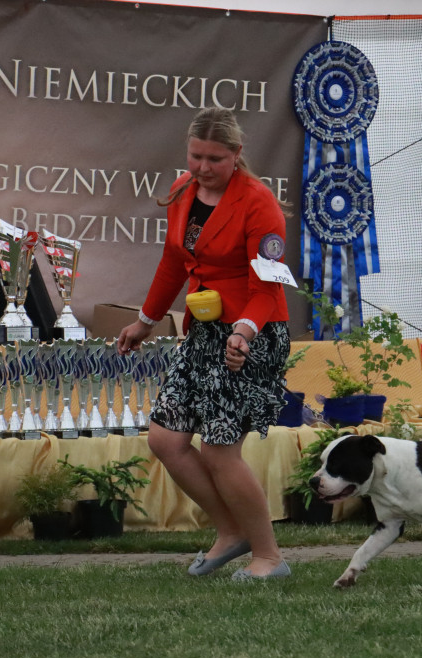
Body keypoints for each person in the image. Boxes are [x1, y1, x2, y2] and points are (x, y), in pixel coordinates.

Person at [117, 107, 292, 580]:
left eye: (215, 158)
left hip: (253, 333)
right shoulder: (181, 190)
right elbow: (174, 263)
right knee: (165, 438)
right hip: (204, 330)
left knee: (218, 450)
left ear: (237, 155)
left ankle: (269, 557)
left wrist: (243, 332)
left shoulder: (260, 204)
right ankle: (231, 533)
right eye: (196, 156)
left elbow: (269, 289)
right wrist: (146, 320)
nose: (202, 168)